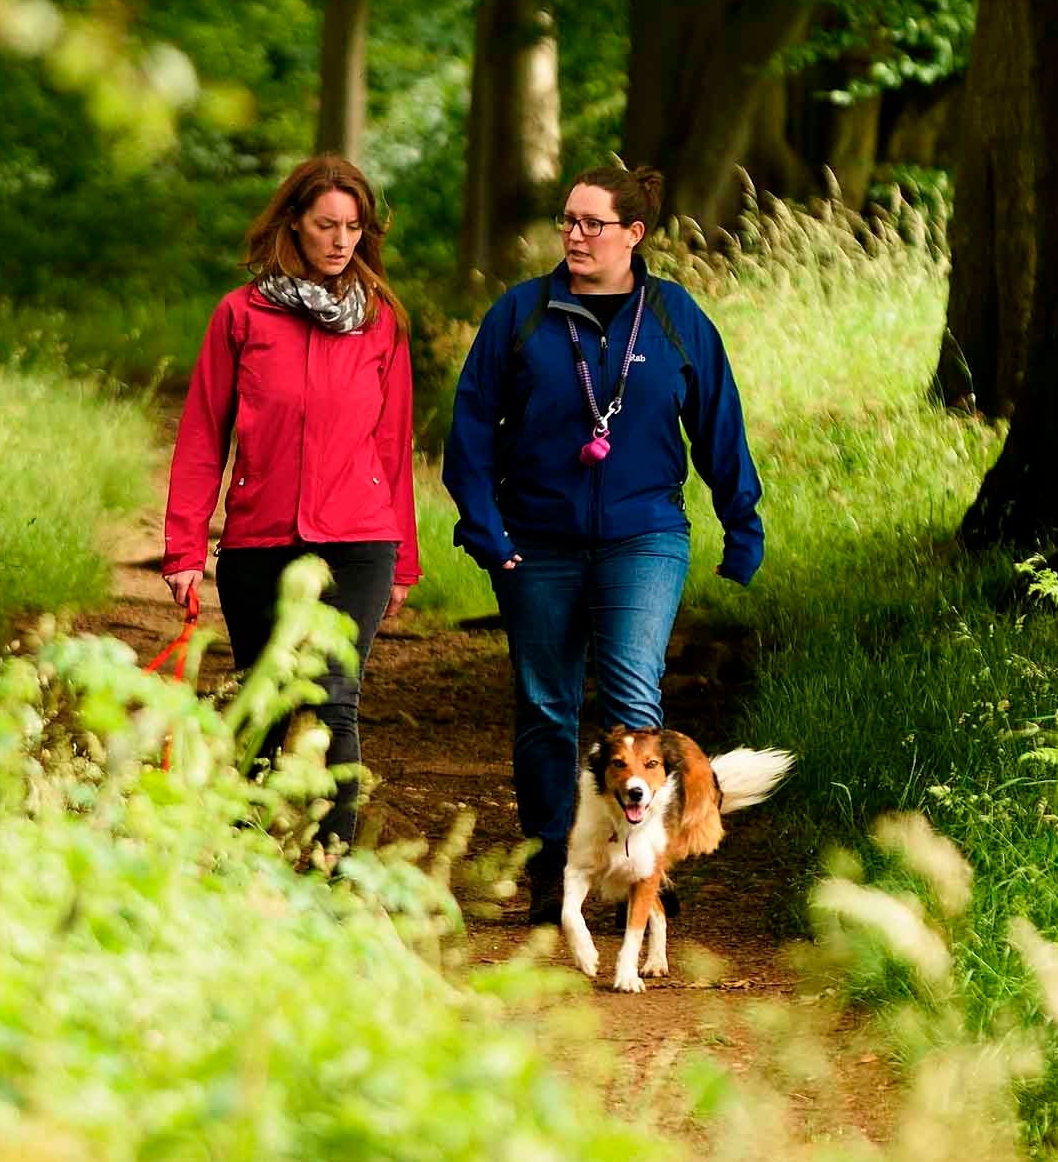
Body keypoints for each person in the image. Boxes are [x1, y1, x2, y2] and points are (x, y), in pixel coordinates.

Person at [441, 163, 763, 925]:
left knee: (632, 703)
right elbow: (470, 431)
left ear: (634, 234)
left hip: (643, 536)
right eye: (568, 222)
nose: (575, 236)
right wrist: (487, 530)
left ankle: (639, 872)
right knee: (545, 706)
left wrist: (740, 525)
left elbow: (719, 424)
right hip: (536, 540)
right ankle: (555, 863)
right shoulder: (520, 315)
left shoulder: (675, 317)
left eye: (592, 223)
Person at [163, 155, 421, 854]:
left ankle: (329, 866)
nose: (341, 240)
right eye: (326, 225)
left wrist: (405, 562)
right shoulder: (241, 315)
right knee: (264, 698)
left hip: (359, 541)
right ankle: (245, 856)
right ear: (294, 224)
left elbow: (394, 446)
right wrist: (184, 549)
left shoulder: (382, 322)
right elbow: (200, 436)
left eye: (353, 227)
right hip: (259, 540)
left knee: (333, 701)